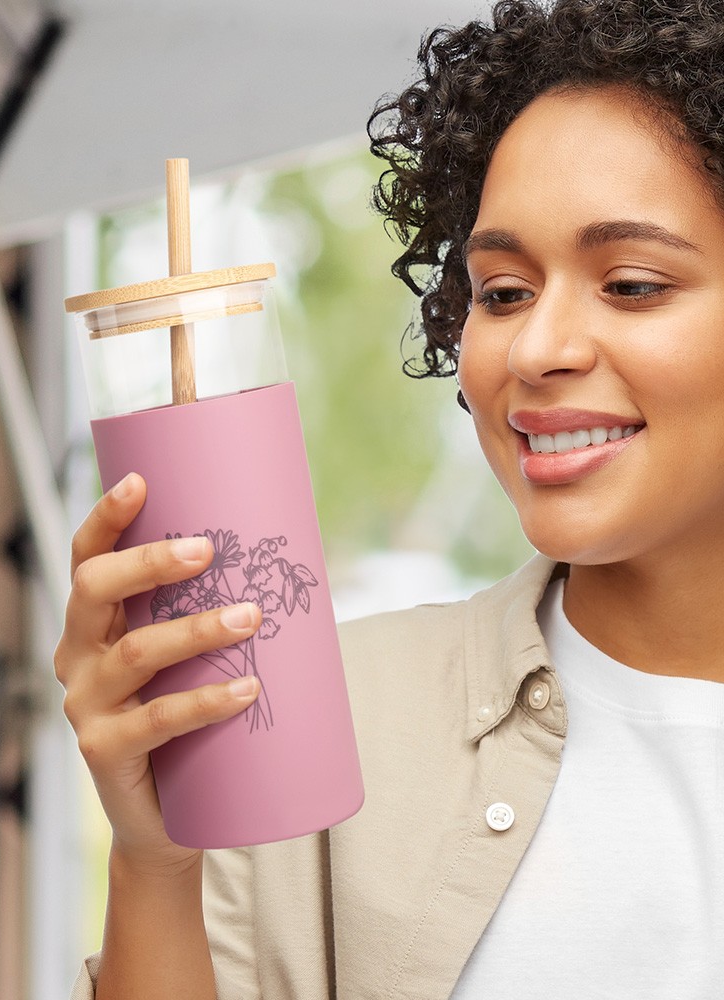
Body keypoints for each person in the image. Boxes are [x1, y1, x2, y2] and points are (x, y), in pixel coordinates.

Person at [56, 1, 724, 996]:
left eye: (627, 284)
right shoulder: (319, 723)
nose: (537, 350)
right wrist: (155, 863)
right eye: (500, 292)